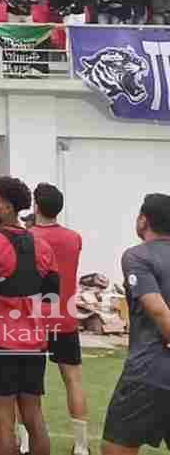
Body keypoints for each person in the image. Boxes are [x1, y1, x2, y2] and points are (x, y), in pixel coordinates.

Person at [0, 177, 59, 455]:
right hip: (33, 343)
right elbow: (52, 296)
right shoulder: (43, 247)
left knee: (3, 421)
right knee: (33, 416)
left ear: (7, 207)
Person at [99, 192, 170, 455]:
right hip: (151, 372)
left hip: (148, 373)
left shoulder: (137, 256)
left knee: (116, 449)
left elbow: (159, 311)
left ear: (143, 220)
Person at [27, 183, 91, 455]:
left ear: (36, 206)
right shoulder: (74, 238)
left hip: (33, 320)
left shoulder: (27, 237)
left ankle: (26, 441)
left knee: (29, 386)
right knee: (73, 380)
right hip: (65, 319)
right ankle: (81, 445)